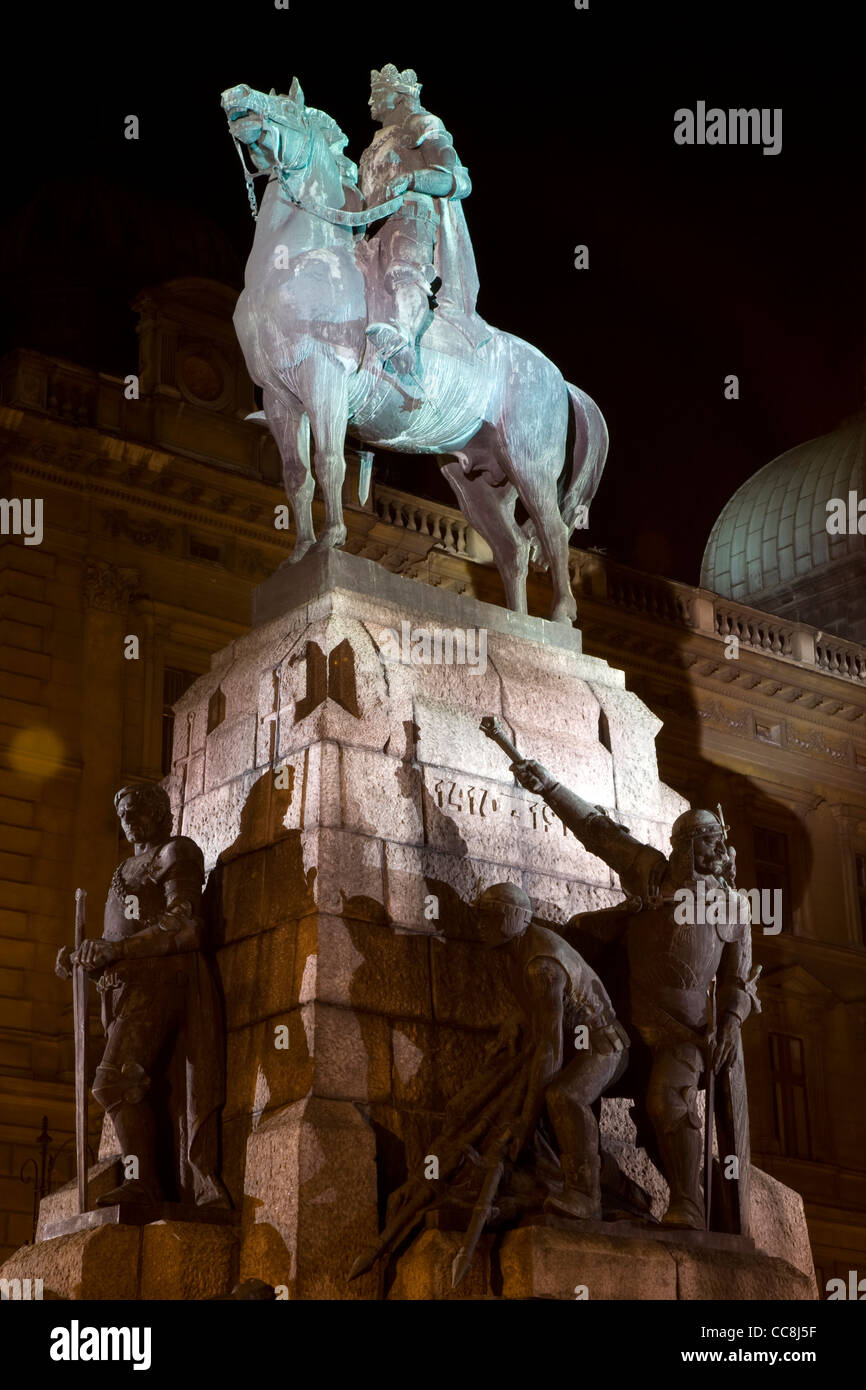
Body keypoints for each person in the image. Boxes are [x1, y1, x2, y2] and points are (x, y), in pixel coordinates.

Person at [508, 759, 760, 1230]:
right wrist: (550, 785)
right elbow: (596, 830)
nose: (718, 849)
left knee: (665, 1103)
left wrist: (729, 1022)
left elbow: (737, 980)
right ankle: (584, 1191)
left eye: (718, 841)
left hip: (683, 1035)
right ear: (685, 845)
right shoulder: (651, 874)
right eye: (707, 840)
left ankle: (687, 1203)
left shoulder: (735, 908)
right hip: (622, 1027)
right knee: (565, 1091)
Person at [56, 783, 230, 1209]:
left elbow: (185, 924)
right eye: (122, 815)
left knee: (112, 1082)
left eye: (135, 811)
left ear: (158, 810)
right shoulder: (125, 869)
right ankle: (145, 1181)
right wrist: (85, 958)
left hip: (164, 984)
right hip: (125, 991)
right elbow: (123, 935)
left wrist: (116, 950)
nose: (127, 821)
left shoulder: (177, 853)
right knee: (132, 1088)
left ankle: (144, 1183)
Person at [478, 881, 630, 1220]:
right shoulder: (517, 950)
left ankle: (585, 1195)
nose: (480, 926)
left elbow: (550, 1052)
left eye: (489, 917)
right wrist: (515, 1024)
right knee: (541, 1100)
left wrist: (525, 1121)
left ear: (511, 918)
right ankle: (619, 1188)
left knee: (564, 1097)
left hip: (602, 1045)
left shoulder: (541, 966)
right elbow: (539, 1011)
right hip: (578, 1045)